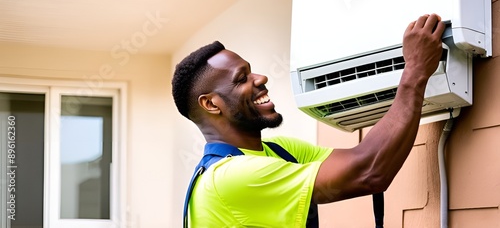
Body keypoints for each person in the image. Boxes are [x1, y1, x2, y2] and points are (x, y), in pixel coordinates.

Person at [172, 14, 445, 227]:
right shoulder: (229, 178)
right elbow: (369, 171)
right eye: (242, 79)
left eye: (251, 72)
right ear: (211, 104)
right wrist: (416, 71)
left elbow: (367, 159)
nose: (261, 79)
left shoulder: (280, 151)